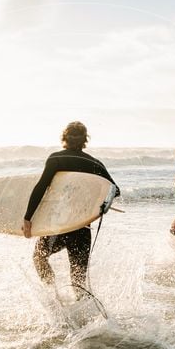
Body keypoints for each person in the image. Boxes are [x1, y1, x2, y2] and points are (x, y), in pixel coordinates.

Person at [22, 122, 119, 298]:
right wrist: (97, 208)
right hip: (82, 226)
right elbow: (114, 190)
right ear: (85, 140)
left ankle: (54, 296)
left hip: (58, 224)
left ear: (64, 138)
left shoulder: (56, 159)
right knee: (78, 279)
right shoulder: (93, 162)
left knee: (39, 257)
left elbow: (41, 187)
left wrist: (28, 217)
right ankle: (84, 316)